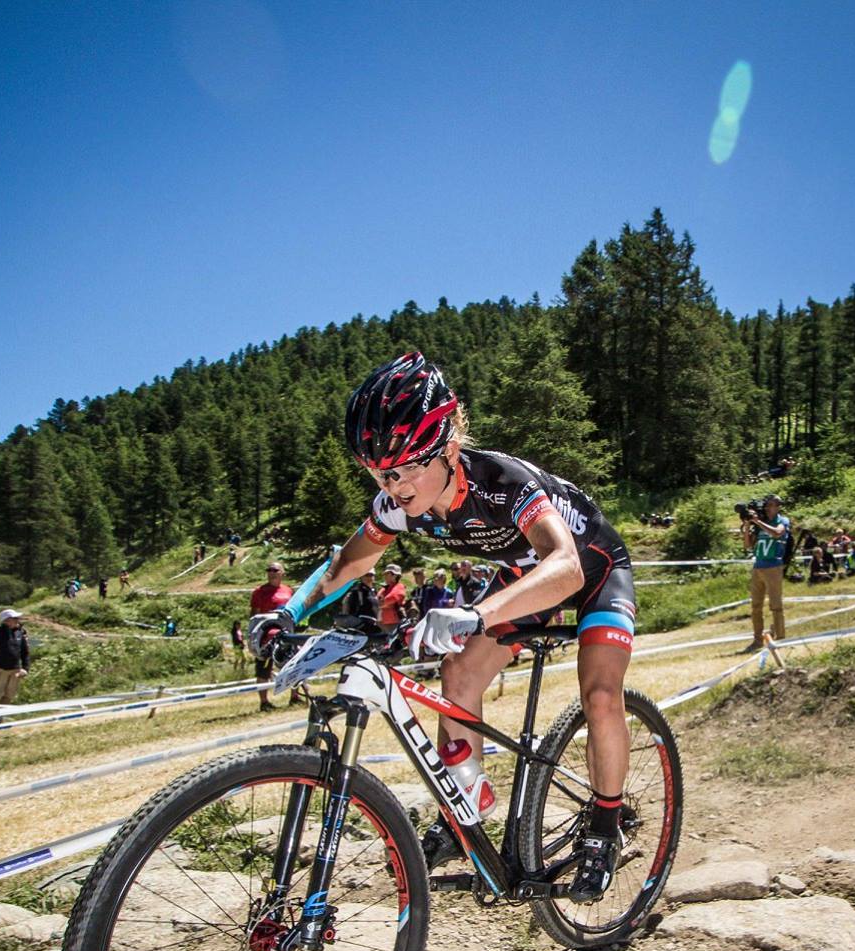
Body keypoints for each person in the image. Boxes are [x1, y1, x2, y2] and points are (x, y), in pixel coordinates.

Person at [251, 351, 637, 901]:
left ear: (449, 451)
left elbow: (566, 566)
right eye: (382, 472)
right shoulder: (399, 503)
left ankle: (605, 826)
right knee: (458, 675)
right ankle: (467, 802)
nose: (396, 485)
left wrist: (478, 613)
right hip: (525, 575)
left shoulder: (501, 481)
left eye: (408, 468)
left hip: (593, 567)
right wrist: (288, 612)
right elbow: (349, 563)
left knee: (600, 695)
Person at [744, 494, 792, 650]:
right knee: (756, 606)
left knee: (775, 605)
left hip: (773, 566)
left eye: (771, 505)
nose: (767, 507)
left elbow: (778, 533)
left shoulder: (782, 521)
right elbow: (748, 545)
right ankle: (757, 639)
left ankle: (780, 637)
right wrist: (747, 526)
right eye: (766, 505)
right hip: (758, 566)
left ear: (778, 506)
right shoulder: (760, 524)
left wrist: (758, 522)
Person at [247, 562, 292, 711]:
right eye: (269, 570)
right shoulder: (259, 591)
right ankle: (264, 701)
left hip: (285, 634)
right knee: (263, 668)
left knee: (291, 664)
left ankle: (295, 696)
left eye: (275, 570)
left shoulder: (288, 591)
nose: (271, 572)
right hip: (265, 636)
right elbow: (254, 614)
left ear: (282, 573)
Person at [0, 609, 31, 704]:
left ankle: (0, 717)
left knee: (9, 695)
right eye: (14, 618)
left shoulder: (21, 633)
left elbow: (25, 652)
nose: (17, 620)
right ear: (6, 620)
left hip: (15, 670)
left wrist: (25, 668)